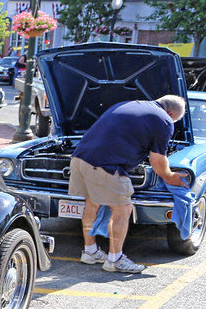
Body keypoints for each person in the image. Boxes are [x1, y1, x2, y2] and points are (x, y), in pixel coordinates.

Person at [68, 95, 187, 273]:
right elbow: (157, 160)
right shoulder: (163, 120)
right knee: (123, 209)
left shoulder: (127, 103)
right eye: (174, 120)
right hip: (106, 164)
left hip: (80, 158)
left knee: (92, 203)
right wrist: (170, 176)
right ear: (170, 113)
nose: (172, 123)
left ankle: (90, 251)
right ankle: (115, 260)